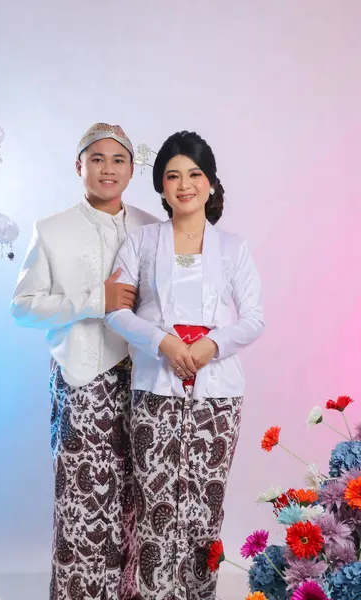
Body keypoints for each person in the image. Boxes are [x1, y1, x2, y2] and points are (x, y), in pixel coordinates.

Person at [105, 130, 265, 600]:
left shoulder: (234, 248)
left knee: (203, 508)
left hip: (217, 395)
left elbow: (254, 318)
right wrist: (163, 343)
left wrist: (212, 346)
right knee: (155, 504)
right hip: (155, 387)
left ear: (211, 183)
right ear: (161, 187)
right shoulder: (142, 241)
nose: (184, 184)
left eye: (194, 174)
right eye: (172, 176)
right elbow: (116, 310)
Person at [11, 123, 159, 600]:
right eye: (97, 159)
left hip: (147, 382)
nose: (108, 169)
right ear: (80, 167)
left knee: (140, 499)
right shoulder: (51, 230)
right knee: (83, 503)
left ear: (132, 170)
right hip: (82, 382)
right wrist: (97, 298)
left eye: (118, 160)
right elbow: (24, 305)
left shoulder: (151, 226)